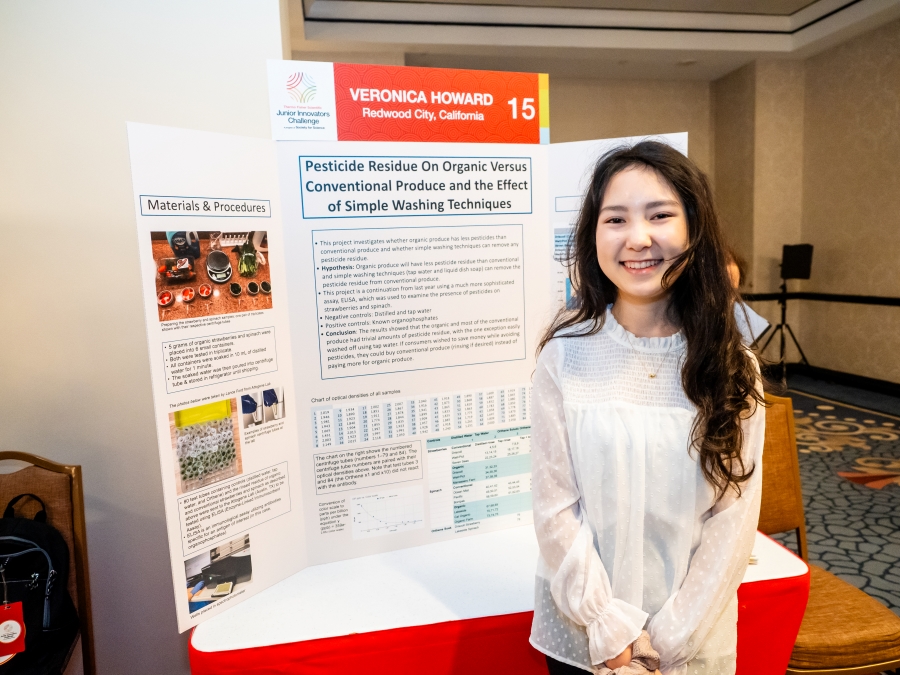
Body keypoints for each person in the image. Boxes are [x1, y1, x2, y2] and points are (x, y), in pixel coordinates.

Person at [529, 141, 766, 675]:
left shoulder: (733, 366)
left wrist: (666, 641)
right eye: (616, 219)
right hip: (584, 632)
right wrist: (608, 627)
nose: (638, 238)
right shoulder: (565, 357)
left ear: (693, 230)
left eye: (660, 215)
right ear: (594, 236)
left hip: (690, 638)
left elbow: (733, 517)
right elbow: (555, 510)